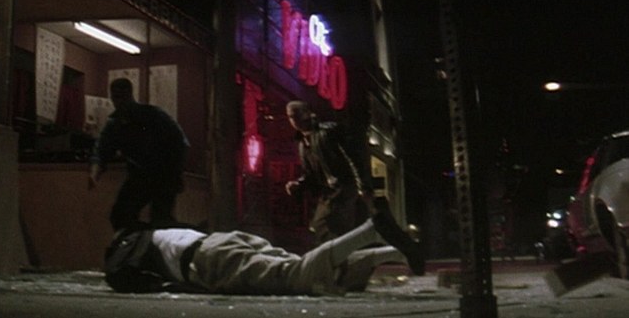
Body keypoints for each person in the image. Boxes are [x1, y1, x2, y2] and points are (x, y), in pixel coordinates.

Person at [103, 194, 425, 295]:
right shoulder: (156, 232)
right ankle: (395, 251)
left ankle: (372, 231)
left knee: (295, 276)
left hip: (207, 260)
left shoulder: (121, 256)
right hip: (221, 240)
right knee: (302, 266)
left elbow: (139, 282)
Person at [89, 78, 190, 230]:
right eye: (116, 97)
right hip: (139, 175)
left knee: (161, 221)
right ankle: (140, 238)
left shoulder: (152, 115)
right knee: (120, 216)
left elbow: (180, 141)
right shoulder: (115, 124)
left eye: (123, 97)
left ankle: (181, 235)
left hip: (164, 174)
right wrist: (94, 172)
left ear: (130, 95)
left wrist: (177, 171)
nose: (119, 102)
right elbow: (102, 150)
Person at [284, 100, 369, 243]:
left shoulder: (328, 131)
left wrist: (362, 186)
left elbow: (353, 157)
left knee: (324, 225)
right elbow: (310, 173)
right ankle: (344, 255)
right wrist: (299, 183)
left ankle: (340, 254)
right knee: (332, 229)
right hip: (329, 193)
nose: (294, 120)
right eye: (291, 117)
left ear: (307, 113)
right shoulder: (302, 143)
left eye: (297, 115)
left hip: (343, 188)